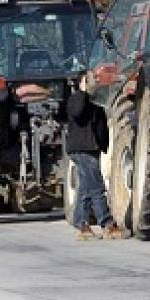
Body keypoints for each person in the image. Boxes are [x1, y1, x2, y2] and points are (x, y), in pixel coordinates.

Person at [18, 71, 122, 240]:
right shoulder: (76, 99)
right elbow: (77, 113)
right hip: (81, 149)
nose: (95, 82)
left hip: (91, 149)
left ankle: (82, 225)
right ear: (82, 82)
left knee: (85, 189)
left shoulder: (95, 102)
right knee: (97, 187)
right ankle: (107, 224)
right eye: (91, 79)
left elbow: (101, 127)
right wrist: (82, 91)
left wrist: (103, 146)